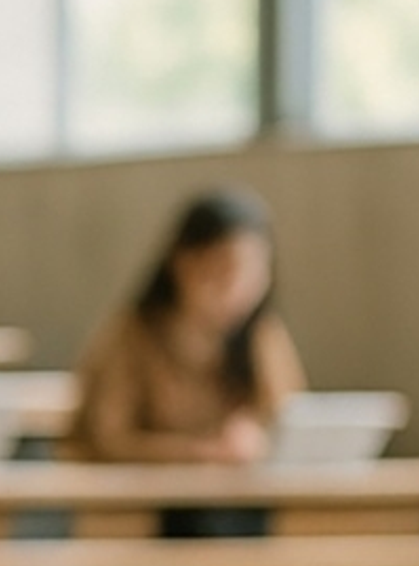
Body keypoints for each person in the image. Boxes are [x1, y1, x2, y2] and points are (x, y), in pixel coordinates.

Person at [67, 186, 303, 466]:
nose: (239, 289)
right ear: (183, 264)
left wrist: (254, 437)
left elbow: (291, 419)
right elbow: (104, 439)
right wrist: (200, 453)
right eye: (224, 270)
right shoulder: (133, 334)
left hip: (245, 494)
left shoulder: (261, 334)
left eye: (255, 273)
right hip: (148, 501)